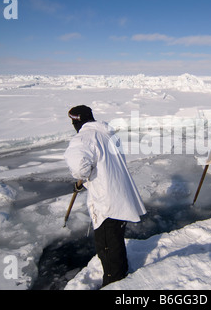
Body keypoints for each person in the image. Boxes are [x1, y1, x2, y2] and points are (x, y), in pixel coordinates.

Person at [64, 105, 147, 287]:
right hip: (120, 195)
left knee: (108, 248)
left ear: (76, 121)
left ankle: (115, 284)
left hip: (106, 202)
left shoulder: (83, 138)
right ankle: (121, 274)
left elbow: (80, 168)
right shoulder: (108, 134)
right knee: (115, 243)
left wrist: (82, 179)